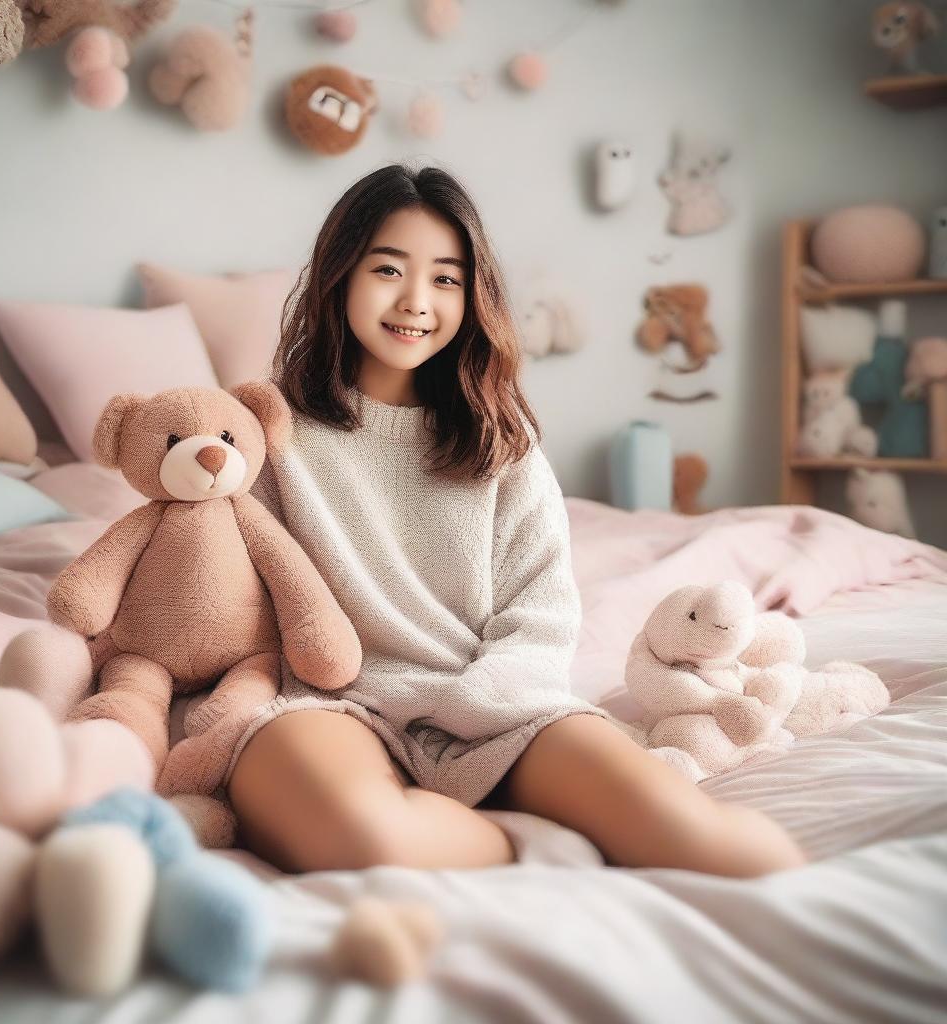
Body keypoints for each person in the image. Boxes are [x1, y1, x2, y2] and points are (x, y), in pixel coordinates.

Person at [227, 163, 806, 878]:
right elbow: (223, 602)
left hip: (491, 707)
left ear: (473, 296)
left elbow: (539, 614)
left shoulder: (501, 440)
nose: (416, 300)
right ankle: (525, 844)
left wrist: (472, 714)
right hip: (322, 710)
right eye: (388, 269)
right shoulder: (263, 428)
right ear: (339, 275)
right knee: (365, 845)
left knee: (711, 846)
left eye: (446, 278)